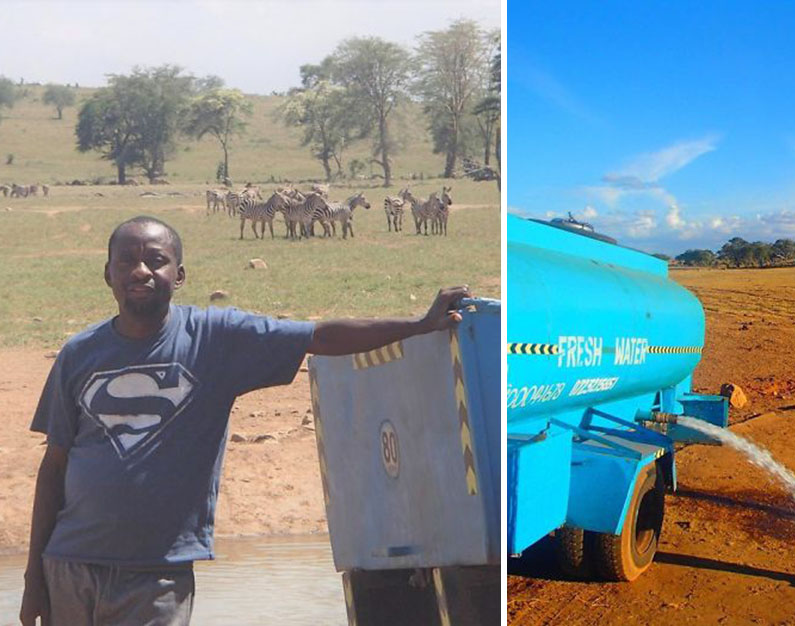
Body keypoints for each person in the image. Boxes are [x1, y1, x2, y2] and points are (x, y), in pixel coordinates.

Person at [20, 215, 471, 626]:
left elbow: (319, 336)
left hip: (157, 574)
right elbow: (54, 467)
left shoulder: (216, 339)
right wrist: (33, 578)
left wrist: (418, 325)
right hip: (69, 567)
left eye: (156, 261)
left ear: (179, 275)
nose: (141, 271)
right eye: (127, 261)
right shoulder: (78, 354)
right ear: (108, 274)